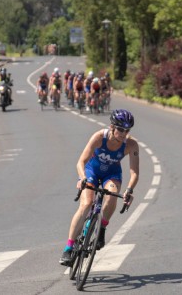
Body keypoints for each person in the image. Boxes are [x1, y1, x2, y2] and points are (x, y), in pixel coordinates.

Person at [59, 109, 139, 265]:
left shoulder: (131, 145)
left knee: (112, 193)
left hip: (112, 173)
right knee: (86, 204)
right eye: (121, 129)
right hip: (91, 171)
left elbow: (134, 172)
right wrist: (82, 178)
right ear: (112, 127)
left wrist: (129, 189)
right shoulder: (99, 137)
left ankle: (102, 228)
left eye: (127, 130)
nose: (124, 133)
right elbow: (81, 162)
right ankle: (68, 248)